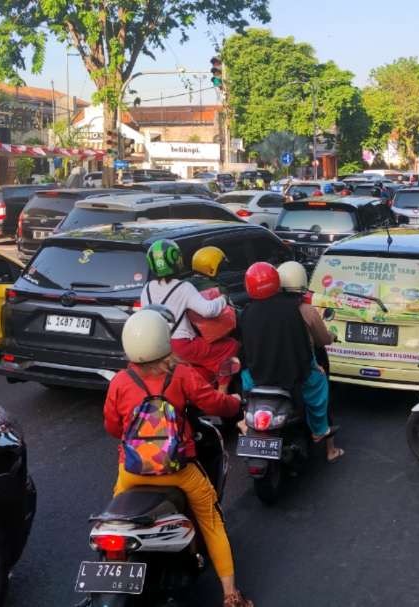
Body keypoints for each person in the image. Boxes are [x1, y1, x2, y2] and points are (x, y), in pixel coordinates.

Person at [103, 309, 253, 607]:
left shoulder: (120, 381)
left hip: (132, 471)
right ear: (164, 339)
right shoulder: (181, 375)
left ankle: (114, 565)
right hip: (178, 470)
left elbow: (112, 427)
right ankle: (231, 595)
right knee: (211, 519)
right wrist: (235, 402)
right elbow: (214, 402)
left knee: (116, 520)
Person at [240, 262, 343, 462]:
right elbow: (301, 346)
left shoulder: (246, 312)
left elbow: (244, 347)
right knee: (319, 384)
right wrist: (313, 366)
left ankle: (244, 419)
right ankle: (319, 430)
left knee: (246, 387)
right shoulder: (293, 310)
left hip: (256, 376)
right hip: (290, 376)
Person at [139, 240, 239, 390]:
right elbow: (208, 310)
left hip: (157, 344)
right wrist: (223, 299)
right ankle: (221, 395)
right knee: (230, 346)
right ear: (176, 261)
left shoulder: (146, 288)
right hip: (181, 345)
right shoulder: (183, 287)